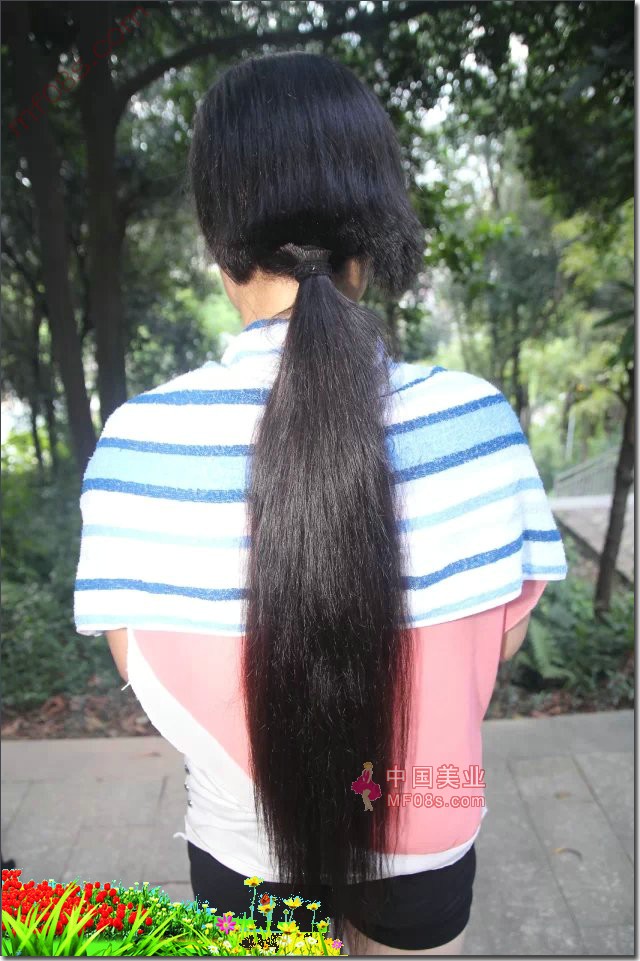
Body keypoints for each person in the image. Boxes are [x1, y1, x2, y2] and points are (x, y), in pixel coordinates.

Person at [73, 51, 568, 955]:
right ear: (371, 228)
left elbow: (141, 666)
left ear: (220, 239)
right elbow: (499, 638)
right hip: (426, 827)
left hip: (243, 850)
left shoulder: (140, 441)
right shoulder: (476, 421)